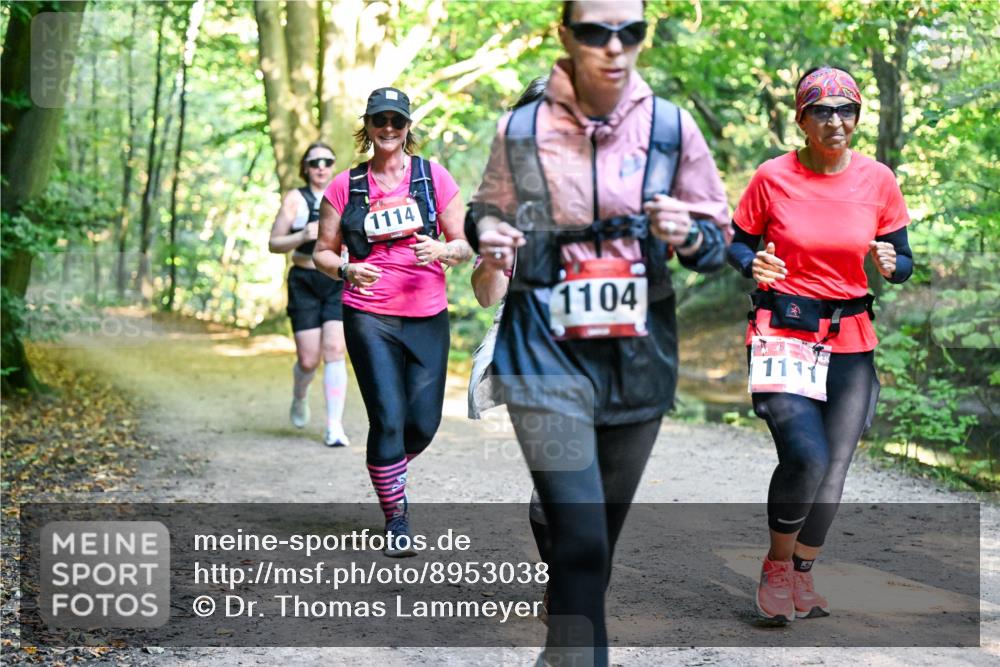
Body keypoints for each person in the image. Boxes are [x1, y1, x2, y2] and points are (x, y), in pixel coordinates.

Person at [469, 2, 730, 664]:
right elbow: (485, 208)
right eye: (594, 31)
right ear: (567, 36)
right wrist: (485, 232)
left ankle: (561, 651)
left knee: (595, 544)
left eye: (630, 31)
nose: (614, 47)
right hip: (542, 352)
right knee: (580, 536)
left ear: (643, 36)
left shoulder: (672, 127)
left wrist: (690, 232)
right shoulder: (522, 127)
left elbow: (717, 238)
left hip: (637, 356)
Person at [726, 65, 914, 623]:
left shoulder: (877, 180)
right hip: (783, 332)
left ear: (857, 117)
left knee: (835, 466)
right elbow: (737, 246)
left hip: (851, 340)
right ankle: (777, 565)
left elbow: (903, 259)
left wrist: (893, 263)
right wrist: (751, 261)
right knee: (805, 455)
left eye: (847, 110)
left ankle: (804, 572)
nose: (837, 121)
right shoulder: (772, 177)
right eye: (823, 111)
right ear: (802, 119)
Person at [313, 87, 472, 557]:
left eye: (396, 122)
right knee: (387, 417)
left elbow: (465, 244)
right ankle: (396, 517)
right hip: (368, 313)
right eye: (379, 121)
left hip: (427, 314)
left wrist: (443, 249)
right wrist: (345, 268)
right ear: (368, 126)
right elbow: (321, 251)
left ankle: (388, 471)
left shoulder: (433, 178)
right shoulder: (345, 185)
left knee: (422, 424)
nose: (388, 130)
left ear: (408, 129)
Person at [268, 142, 350, 447]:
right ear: (306, 167)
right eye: (314, 162)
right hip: (303, 280)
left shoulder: (345, 195)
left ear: (333, 166)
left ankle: (334, 426)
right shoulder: (295, 199)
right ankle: (299, 396)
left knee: (334, 349)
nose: (321, 167)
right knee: (308, 359)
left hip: (335, 279)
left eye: (327, 161)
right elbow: (274, 243)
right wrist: (301, 235)